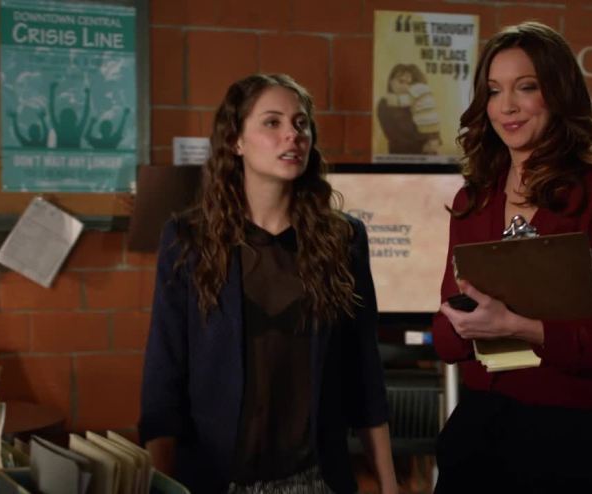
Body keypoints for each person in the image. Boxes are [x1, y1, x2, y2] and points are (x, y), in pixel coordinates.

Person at [139, 73, 398, 494]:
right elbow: (164, 377)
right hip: (215, 481)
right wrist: (163, 485)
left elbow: (365, 374)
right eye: (272, 122)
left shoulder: (342, 239)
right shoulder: (189, 239)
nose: (292, 135)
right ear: (236, 140)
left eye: (301, 123)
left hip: (313, 481)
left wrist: (389, 485)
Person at [432, 22, 592, 493]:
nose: (507, 106)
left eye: (526, 87)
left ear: (558, 93)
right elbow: (446, 339)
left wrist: (524, 328)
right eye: (494, 91)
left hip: (568, 441)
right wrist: (462, 325)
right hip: (477, 432)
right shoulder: (473, 199)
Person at [377, 64, 441, 155]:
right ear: (391, 82)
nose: (405, 87)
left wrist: (435, 140)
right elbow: (395, 136)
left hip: (428, 154)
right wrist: (428, 140)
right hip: (402, 155)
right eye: (401, 81)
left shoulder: (421, 101)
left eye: (410, 84)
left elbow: (432, 122)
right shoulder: (385, 103)